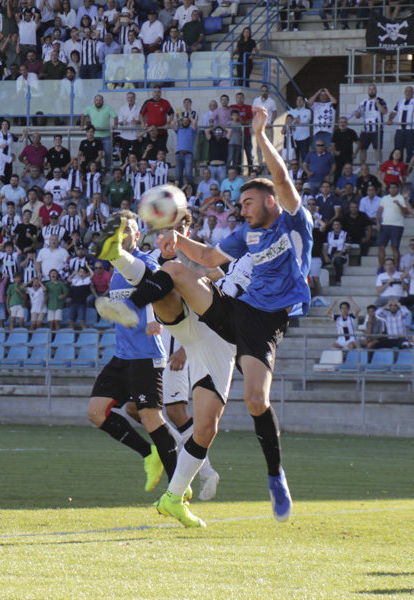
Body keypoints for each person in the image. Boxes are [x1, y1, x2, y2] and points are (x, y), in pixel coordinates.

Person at [92, 104, 310, 524]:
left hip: (236, 337)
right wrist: (175, 239)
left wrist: (261, 136)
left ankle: (177, 498)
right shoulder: (245, 239)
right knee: (171, 270)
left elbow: (281, 179)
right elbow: (208, 255)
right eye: (240, 204)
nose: (241, 209)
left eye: (247, 202)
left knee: (211, 425)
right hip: (218, 314)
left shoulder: (293, 223)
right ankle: (122, 274)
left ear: (269, 200)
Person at [83, 210, 179, 502]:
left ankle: (180, 488)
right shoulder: (114, 273)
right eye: (118, 230)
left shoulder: (146, 263)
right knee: (95, 412)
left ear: (138, 235)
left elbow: (165, 291)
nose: (123, 235)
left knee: (151, 418)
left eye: (128, 230)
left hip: (147, 355)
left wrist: (159, 322)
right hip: (122, 355)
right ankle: (149, 454)